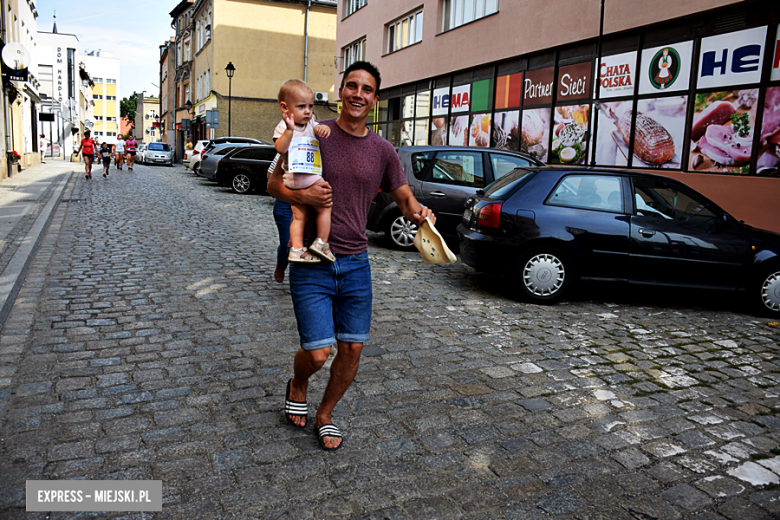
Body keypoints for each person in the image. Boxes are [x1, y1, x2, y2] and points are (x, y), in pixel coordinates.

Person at [268, 61, 435, 451]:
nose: (359, 94)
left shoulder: (383, 150)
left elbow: (403, 194)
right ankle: (299, 382)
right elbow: (274, 183)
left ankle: (325, 414)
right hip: (313, 258)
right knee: (316, 352)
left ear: (375, 99)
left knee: (353, 347)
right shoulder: (313, 131)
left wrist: (418, 211)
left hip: (356, 262)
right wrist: (302, 196)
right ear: (341, 91)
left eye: (368, 89)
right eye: (352, 86)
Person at [273, 79, 333, 264]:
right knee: (325, 206)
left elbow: (318, 127)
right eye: (301, 106)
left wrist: (322, 128)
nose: (307, 111)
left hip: (295, 180)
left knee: (299, 216)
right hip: (305, 177)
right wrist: (290, 131)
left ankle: (297, 249)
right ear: (285, 107)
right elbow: (279, 148)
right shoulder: (284, 127)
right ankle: (321, 242)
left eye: (310, 106)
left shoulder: (311, 122)